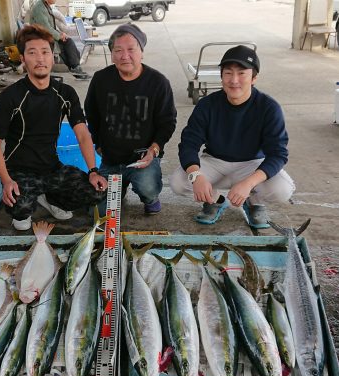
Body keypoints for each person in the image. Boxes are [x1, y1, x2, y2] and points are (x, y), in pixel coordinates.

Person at [0, 24, 107, 231]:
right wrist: (6, 180)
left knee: (95, 191)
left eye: (45, 52)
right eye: (32, 53)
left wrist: (93, 171)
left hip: (52, 168)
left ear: (53, 56)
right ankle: (30, 198)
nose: (40, 59)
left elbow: (83, 135)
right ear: (23, 59)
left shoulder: (66, 93)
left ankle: (51, 200)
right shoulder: (9, 97)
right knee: (22, 211)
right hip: (20, 170)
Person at [170, 45, 295, 229]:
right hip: (214, 162)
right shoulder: (207, 105)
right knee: (178, 183)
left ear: (254, 77)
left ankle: (253, 201)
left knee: (282, 189)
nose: (234, 80)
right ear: (221, 76)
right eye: (228, 73)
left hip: (252, 164)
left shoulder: (269, 108)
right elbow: (188, 143)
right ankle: (216, 200)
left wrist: (248, 183)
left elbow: (278, 154)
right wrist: (196, 175)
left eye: (242, 73)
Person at [84, 23, 177, 215]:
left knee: (147, 187)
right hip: (111, 159)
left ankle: (150, 198)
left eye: (131, 49)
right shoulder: (101, 79)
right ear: (112, 54)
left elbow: (168, 122)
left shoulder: (158, 82)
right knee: (99, 212)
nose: (124, 56)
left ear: (141, 51)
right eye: (118, 50)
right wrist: (98, 142)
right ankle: (120, 187)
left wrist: (154, 149)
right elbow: (91, 112)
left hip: (143, 158)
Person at [29, 0, 90, 79]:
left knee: (68, 42)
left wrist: (61, 34)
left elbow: (51, 27)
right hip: (40, 38)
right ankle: (75, 69)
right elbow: (46, 29)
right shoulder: (39, 8)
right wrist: (59, 36)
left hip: (46, 36)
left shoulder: (45, 6)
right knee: (66, 43)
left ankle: (75, 68)